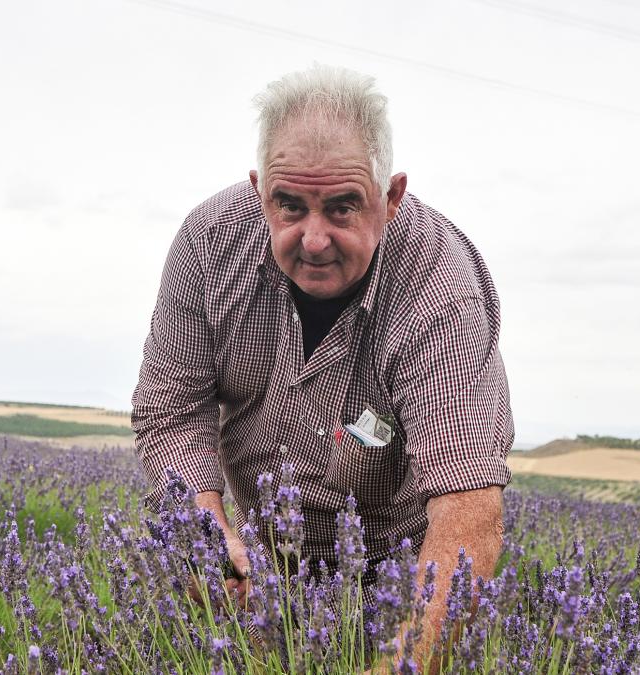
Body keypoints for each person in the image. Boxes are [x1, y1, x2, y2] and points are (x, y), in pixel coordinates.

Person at [131, 65, 512, 667]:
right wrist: (208, 536)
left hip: (395, 575)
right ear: (260, 190)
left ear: (390, 198)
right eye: (289, 206)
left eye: (341, 208)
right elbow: (173, 413)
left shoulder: (438, 286)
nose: (313, 239)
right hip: (260, 558)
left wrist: (403, 661)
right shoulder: (209, 246)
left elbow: (465, 507)